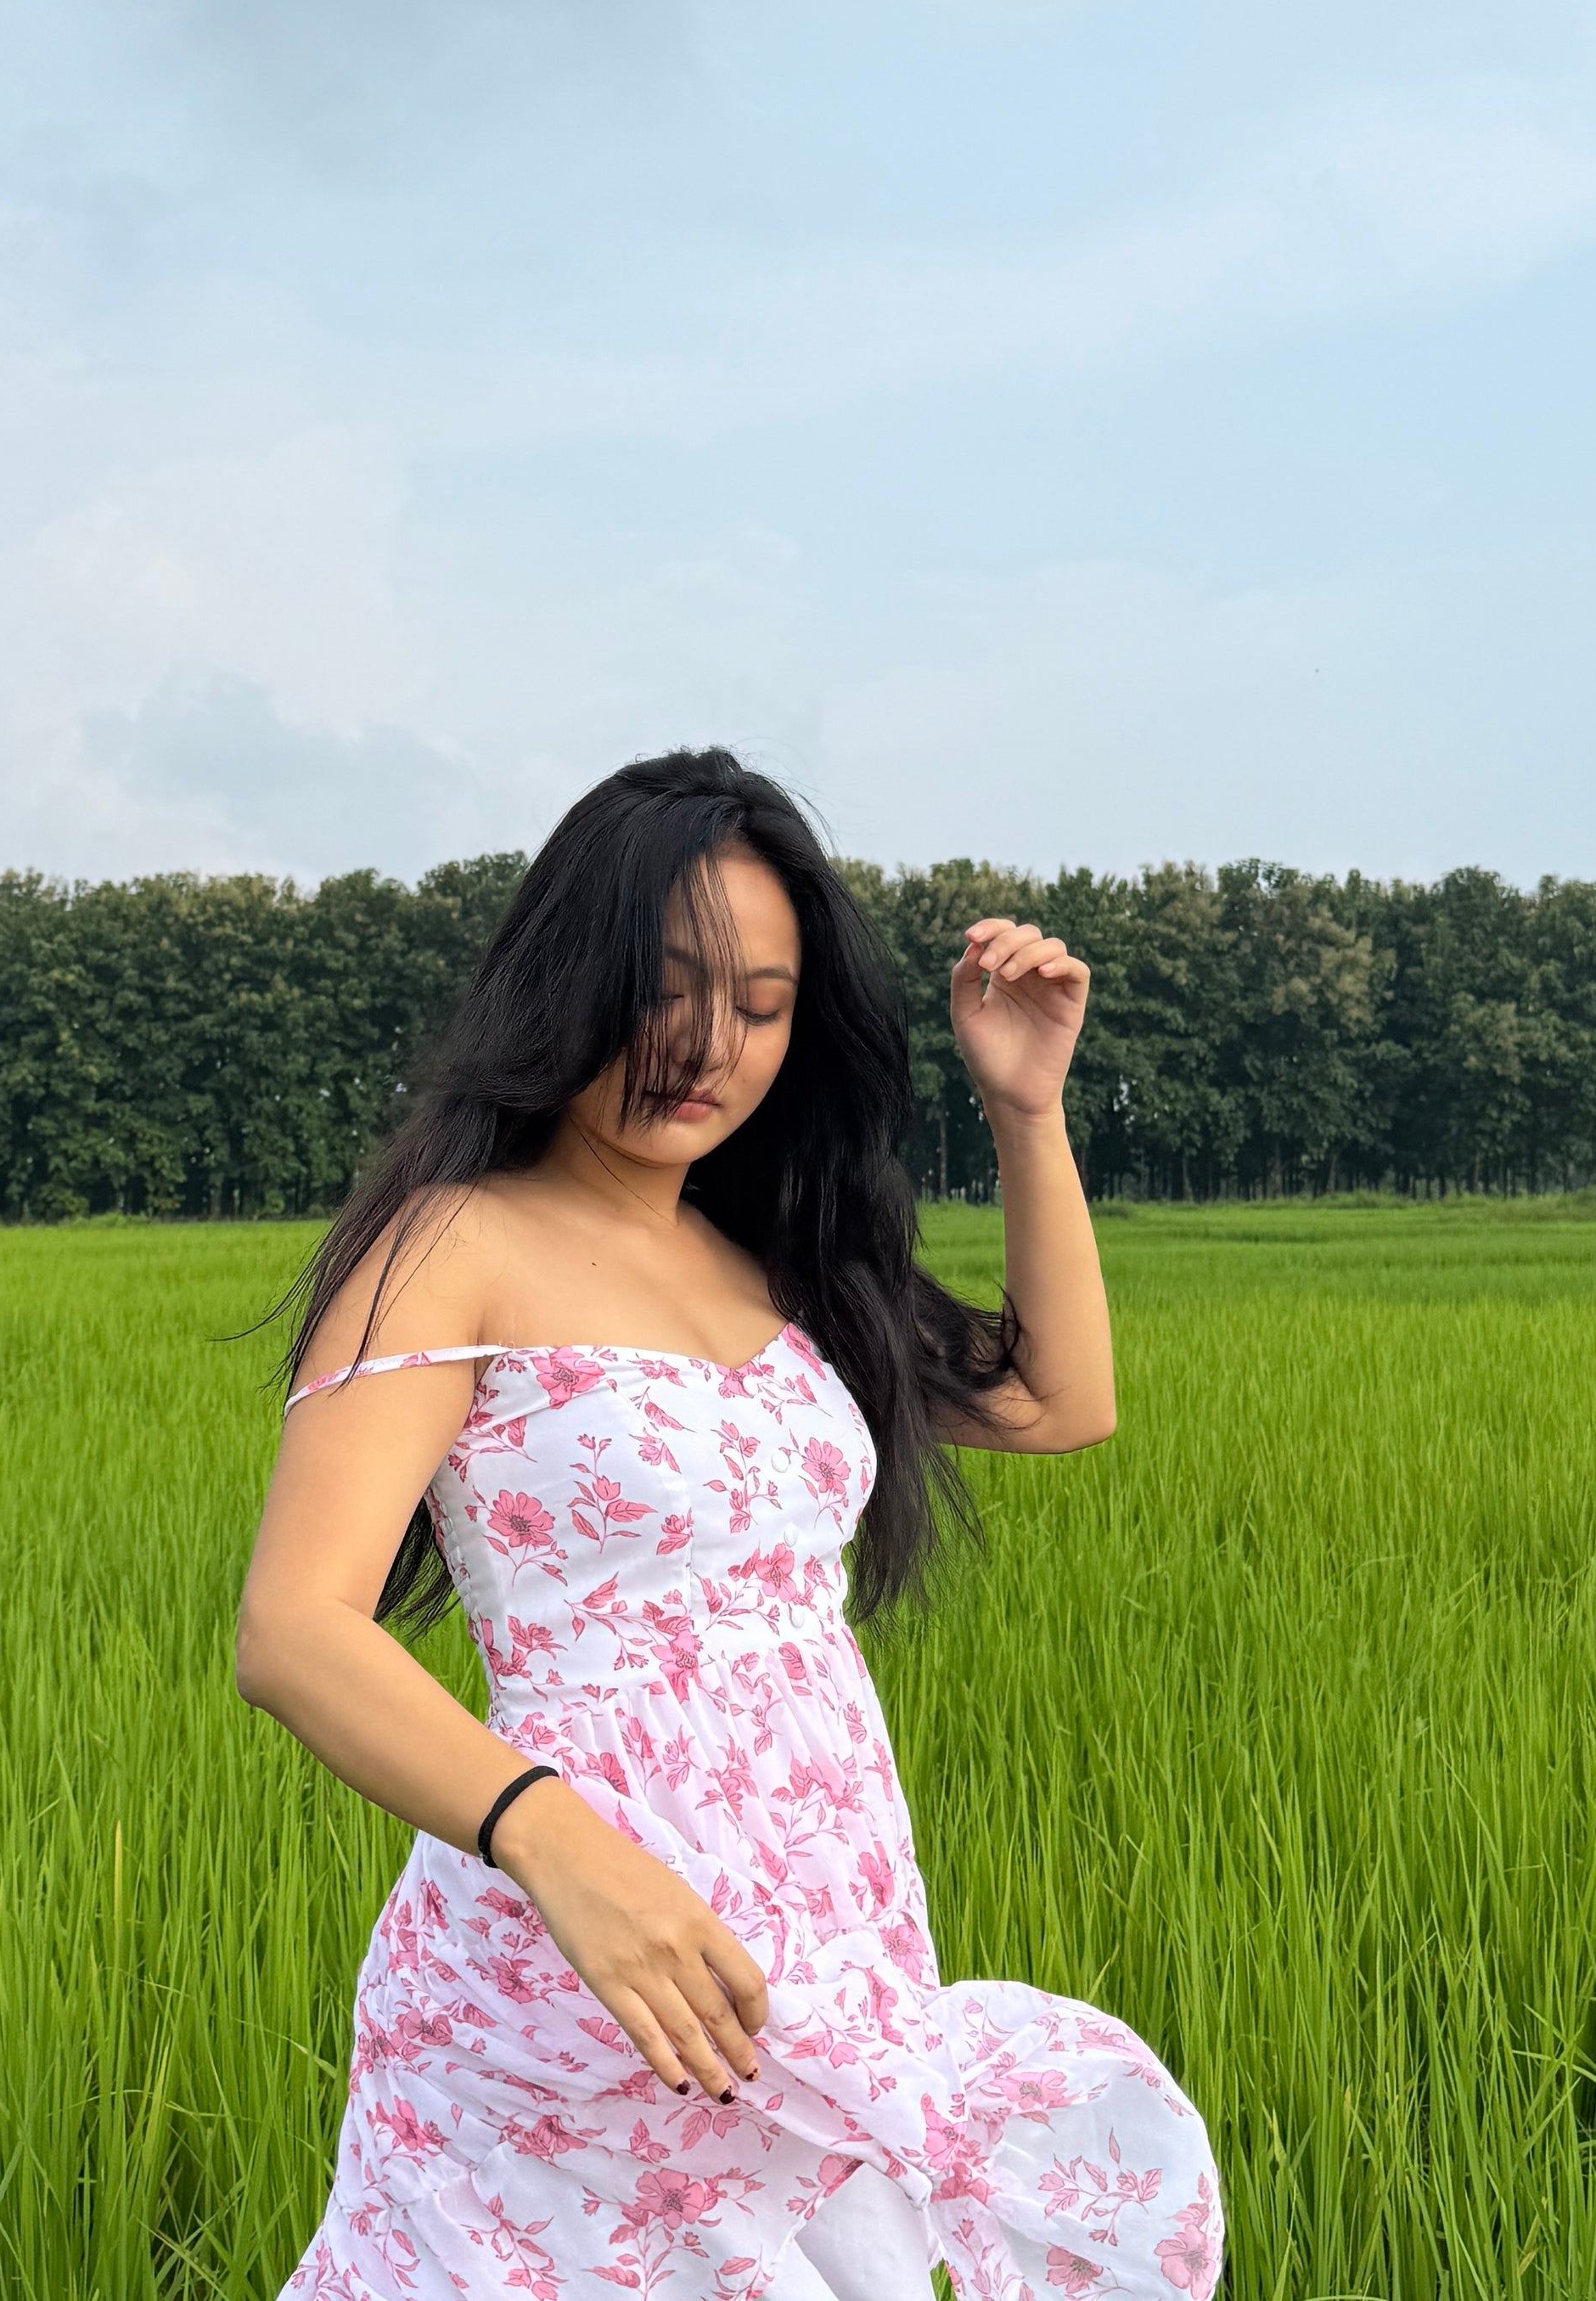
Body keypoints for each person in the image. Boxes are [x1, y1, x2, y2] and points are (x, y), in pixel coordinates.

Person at [236, 749, 1223, 2301]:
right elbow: (295, 1629)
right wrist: (557, 1846)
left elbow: (1056, 1396)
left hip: (822, 1948)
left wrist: (1025, 1107)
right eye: (672, 987)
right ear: (572, 978)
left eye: (760, 1003)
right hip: (579, 1958)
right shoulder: (449, 1243)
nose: (712, 1044)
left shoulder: (772, 1252)